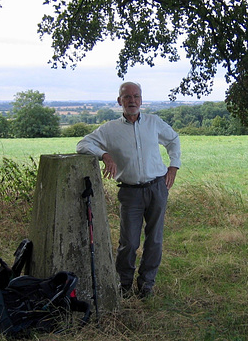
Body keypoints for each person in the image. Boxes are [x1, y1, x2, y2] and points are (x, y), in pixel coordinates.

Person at [76, 81, 181, 299]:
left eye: (136, 96)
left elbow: (173, 139)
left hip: (157, 187)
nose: (132, 100)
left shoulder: (153, 122)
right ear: (119, 101)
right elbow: (82, 144)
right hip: (130, 192)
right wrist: (103, 155)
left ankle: (146, 286)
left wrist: (174, 165)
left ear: (141, 100)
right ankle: (123, 286)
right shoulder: (110, 129)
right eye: (127, 97)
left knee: (155, 240)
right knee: (129, 242)